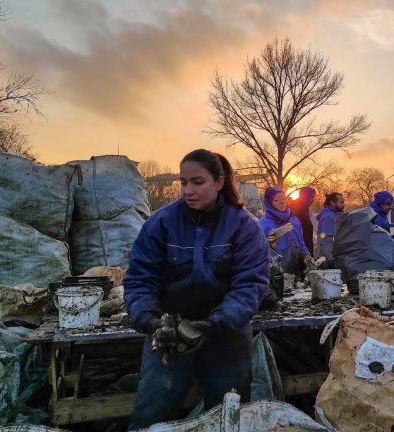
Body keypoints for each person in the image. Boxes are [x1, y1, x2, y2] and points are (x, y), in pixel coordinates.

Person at [123, 149, 269, 429]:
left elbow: (250, 283)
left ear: (219, 182)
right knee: (153, 410)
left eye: (197, 182)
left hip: (226, 337)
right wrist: (150, 320)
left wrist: (216, 324)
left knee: (228, 413)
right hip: (168, 335)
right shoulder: (161, 223)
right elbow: (140, 278)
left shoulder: (244, 227)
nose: (188, 190)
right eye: (183, 182)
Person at [259, 186, 313, 277]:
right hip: (274, 276)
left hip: (296, 273)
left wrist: (307, 256)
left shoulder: (294, 221)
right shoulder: (262, 225)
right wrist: (267, 245)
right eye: (276, 200)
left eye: (283, 198)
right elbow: (255, 253)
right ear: (269, 203)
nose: (282, 202)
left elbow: (301, 244)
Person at [316, 192, 345, 264]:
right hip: (328, 258)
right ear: (332, 202)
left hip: (329, 256)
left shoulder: (333, 215)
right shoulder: (329, 217)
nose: (343, 205)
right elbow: (326, 239)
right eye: (341, 202)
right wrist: (331, 259)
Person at [289, 186, 316, 254]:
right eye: (311, 197)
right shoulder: (298, 209)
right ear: (305, 197)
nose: (313, 199)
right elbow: (297, 234)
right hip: (301, 251)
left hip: (305, 249)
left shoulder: (304, 208)